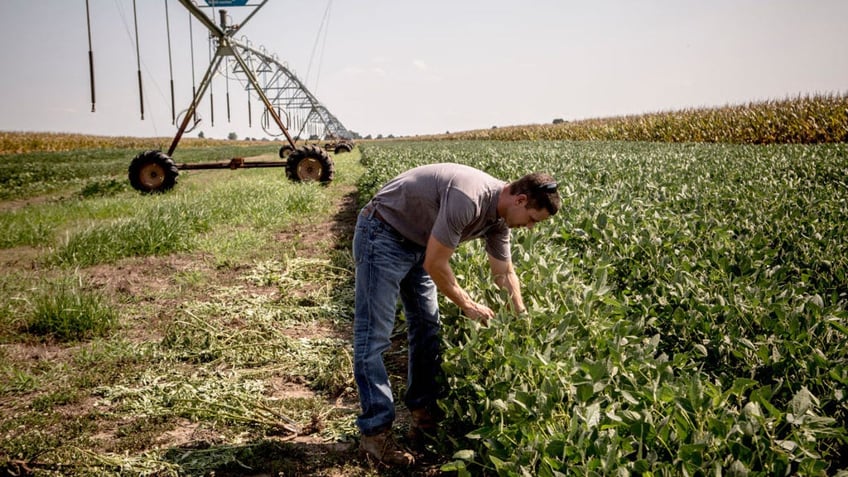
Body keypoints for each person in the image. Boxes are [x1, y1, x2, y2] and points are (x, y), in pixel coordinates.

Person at [352, 162, 561, 465]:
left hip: (419, 244)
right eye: (531, 219)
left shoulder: (500, 220)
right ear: (521, 200)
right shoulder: (470, 198)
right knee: (374, 336)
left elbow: (504, 274)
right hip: (382, 233)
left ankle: (423, 413)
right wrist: (468, 304)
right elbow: (436, 264)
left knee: (427, 328)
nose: (529, 227)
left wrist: (522, 319)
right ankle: (375, 433)